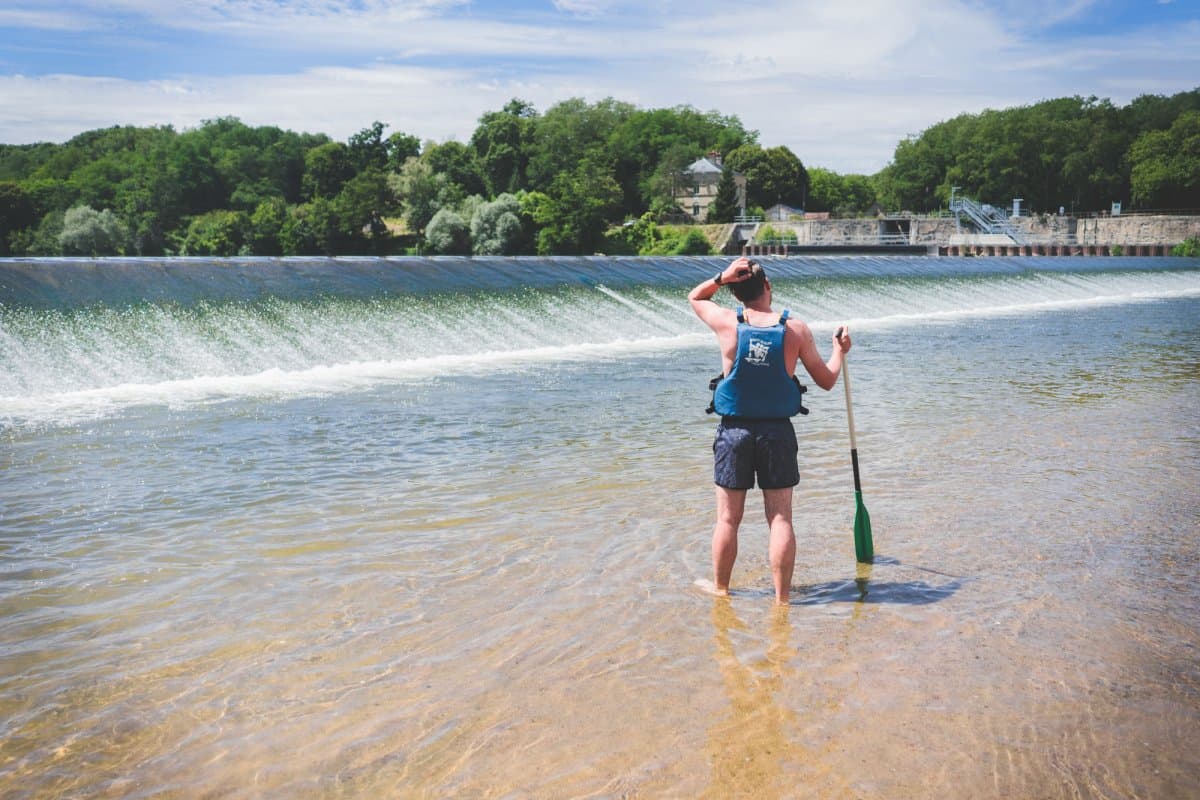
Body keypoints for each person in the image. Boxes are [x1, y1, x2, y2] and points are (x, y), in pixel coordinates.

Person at [688, 257, 851, 604]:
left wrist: (721, 276)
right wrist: (839, 352)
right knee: (780, 518)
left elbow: (695, 298)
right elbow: (826, 381)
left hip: (734, 433)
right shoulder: (796, 330)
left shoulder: (726, 323)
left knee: (728, 519)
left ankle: (721, 591)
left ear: (735, 292)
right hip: (777, 433)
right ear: (768, 287)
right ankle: (781, 599)